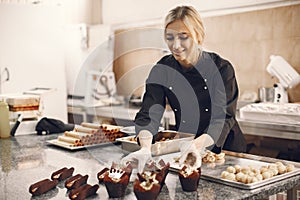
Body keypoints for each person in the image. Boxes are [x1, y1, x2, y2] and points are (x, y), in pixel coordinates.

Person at [121, 5, 246, 171]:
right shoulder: (162, 69)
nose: (176, 45)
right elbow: (148, 114)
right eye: (170, 37)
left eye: (183, 37)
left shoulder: (221, 68)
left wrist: (196, 145)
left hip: (225, 152)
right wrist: (145, 148)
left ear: (199, 36)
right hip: (186, 149)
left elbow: (222, 118)